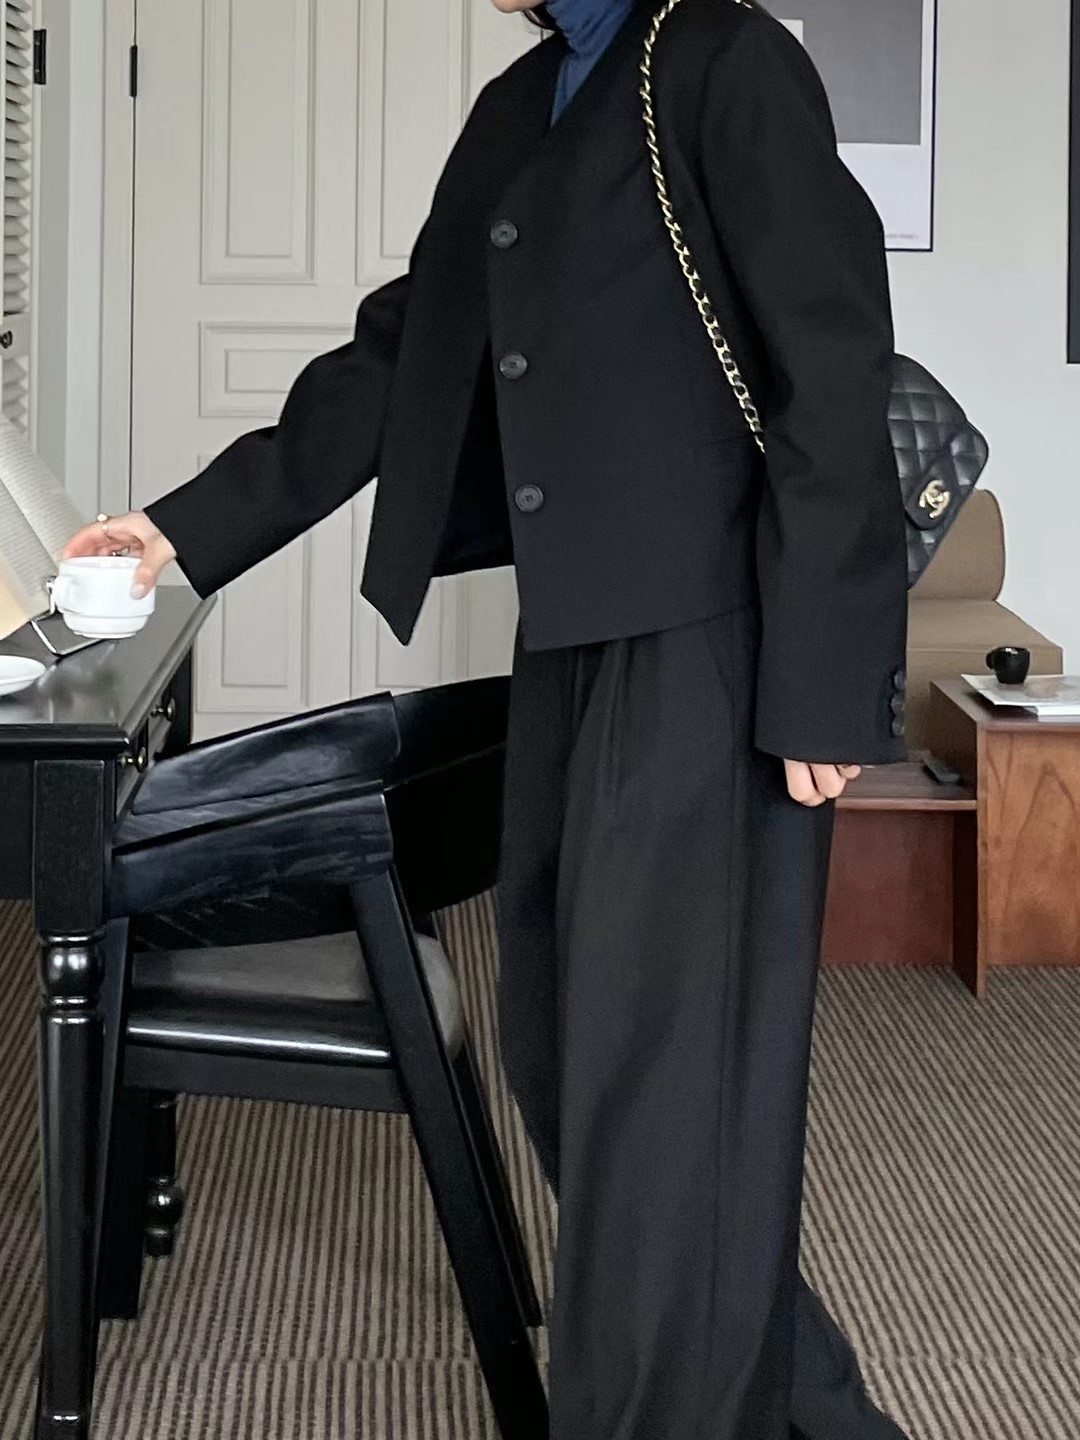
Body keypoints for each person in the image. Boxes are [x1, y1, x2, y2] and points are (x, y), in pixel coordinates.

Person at [65, 0, 912, 1435]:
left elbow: (831, 366)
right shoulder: (522, 106)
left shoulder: (725, 56)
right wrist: (181, 530)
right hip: (569, 646)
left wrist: (829, 681)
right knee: (566, 1059)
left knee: (663, 1102)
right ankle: (811, 1412)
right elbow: (403, 359)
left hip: (719, 650)